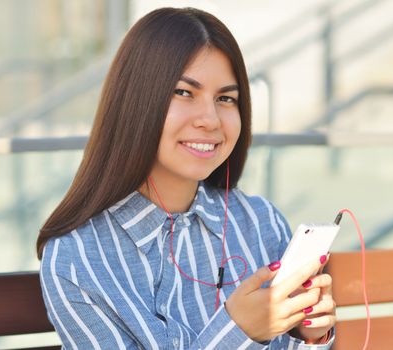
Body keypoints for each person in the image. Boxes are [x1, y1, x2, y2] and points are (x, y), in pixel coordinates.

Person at [37, 7, 336, 349]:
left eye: (226, 98)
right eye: (184, 92)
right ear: (137, 101)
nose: (210, 119)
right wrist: (239, 332)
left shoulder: (261, 222)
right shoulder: (78, 259)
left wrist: (310, 338)